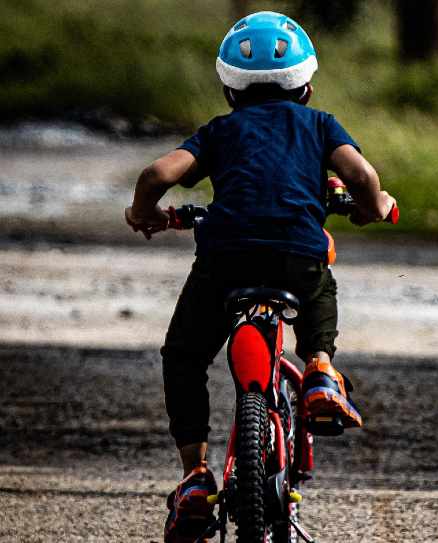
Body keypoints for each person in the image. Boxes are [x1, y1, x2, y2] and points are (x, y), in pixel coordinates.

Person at [123, 11, 396, 543]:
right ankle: (319, 369)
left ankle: (196, 479)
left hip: (226, 259)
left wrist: (145, 212)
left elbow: (158, 174)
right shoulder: (320, 125)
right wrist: (372, 204)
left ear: (228, 91)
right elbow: (361, 176)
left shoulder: (221, 132)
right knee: (318, 281)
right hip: (295, 252)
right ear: (308, 87)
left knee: (183, 356)